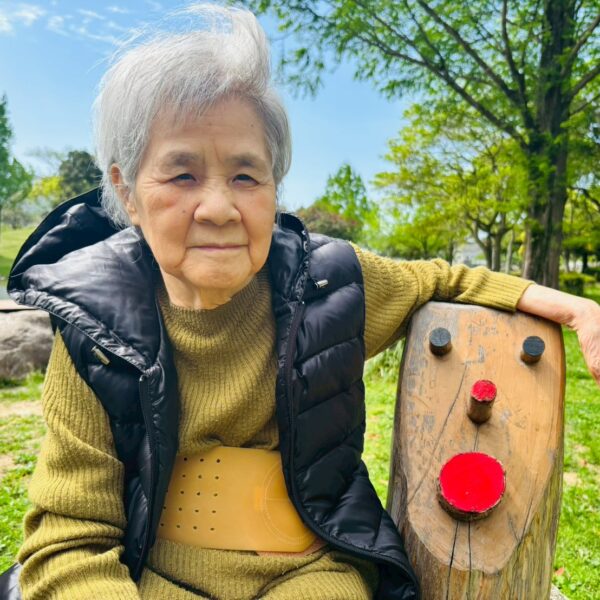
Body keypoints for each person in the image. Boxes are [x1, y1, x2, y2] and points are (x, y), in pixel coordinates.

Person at [6, 4, 599, 600]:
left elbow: (440, 280)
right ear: (127, 192)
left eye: (246, 176)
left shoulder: (328, 283)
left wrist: (580, 310)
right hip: (155, 579)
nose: (219, 208)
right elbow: (71, 543)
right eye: (182, 175)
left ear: (274, 189)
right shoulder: (93, 324)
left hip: (313, 575)